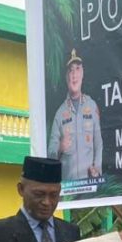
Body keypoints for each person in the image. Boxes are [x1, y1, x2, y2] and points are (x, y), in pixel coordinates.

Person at [47, 49, 102, 183]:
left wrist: (97, 167)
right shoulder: (59, 114)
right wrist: (60, 147)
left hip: (89, 184)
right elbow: (50, 153)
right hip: (68, 188)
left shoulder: (92, 105)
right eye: (70, 71)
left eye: (77, 69)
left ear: (82, 74)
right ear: (67, 77)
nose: (74, 75)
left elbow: (98, 143)